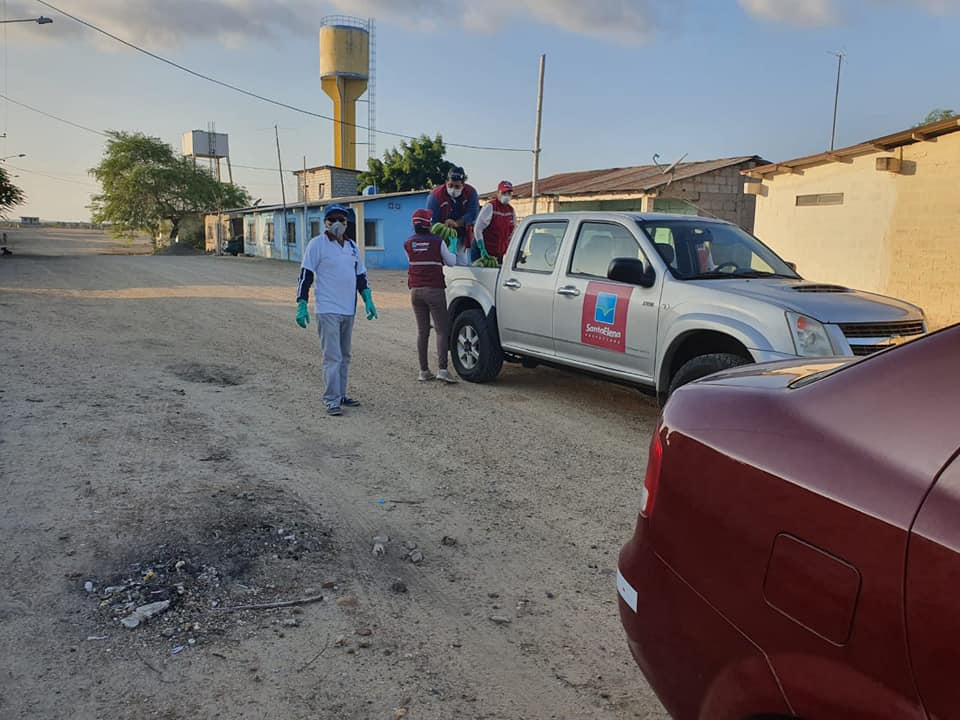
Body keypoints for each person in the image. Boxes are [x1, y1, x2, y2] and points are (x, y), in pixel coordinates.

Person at [295, 204, 378, 417]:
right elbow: (306, 275)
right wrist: (302, 303)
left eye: (341, 219)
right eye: (332, 219)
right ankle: (331, 400)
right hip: (327, 308)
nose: (337, 223)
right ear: (325, 222)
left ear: (347, 223)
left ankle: (341, 394)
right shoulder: (317, 244)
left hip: (348, 309)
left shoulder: (352, 247)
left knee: (345, 356)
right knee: (332, 357)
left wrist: (368, 299)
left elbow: (361, 276)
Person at [404, 209, 458, 383]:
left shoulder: (408, 243)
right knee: (441, 330)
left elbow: (412, 261)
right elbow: (451, 262)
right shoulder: (437, 241)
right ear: (429, 224)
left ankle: (424, 371)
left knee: (423, 331)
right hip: (434, 290)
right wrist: (453, 246)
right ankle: (442, 370)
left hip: (415, 291)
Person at [426, 166, 479, 266]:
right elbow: (432, 220)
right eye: (450, 185)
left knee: (460, 265)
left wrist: (456, 223)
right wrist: (442, 228)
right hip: (441, 237)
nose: (453, 189)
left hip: (461, 237)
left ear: (463, 185)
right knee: (441, 264)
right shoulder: (435, 196)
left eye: (457, 186)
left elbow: (472, 214)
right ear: (446, 182)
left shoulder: (471, 193)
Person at [473, 181, 516, 263]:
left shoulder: (511, 210)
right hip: (483, 251)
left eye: (509, 193)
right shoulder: (491, 207)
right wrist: (482, 248)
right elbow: (478, 229)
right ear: (498, 193)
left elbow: (512, 233)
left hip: (499, 253)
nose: (506, 196)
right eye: (504, 193)